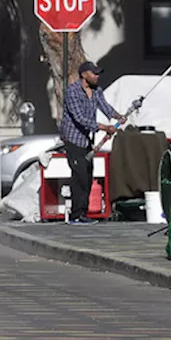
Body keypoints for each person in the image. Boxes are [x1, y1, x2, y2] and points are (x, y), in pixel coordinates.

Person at [60, 61, 125, 225]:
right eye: (94, 73)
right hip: (73, 139)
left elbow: (105, 107)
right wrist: (104, 127)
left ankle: (83, 212)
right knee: (80, 175)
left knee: (88, 176)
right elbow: (80, 118)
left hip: (87, 139)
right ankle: (76, 215)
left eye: (98, 73)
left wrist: (118, 116)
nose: (97, 76)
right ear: (84, 75)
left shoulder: (96, 91)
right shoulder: (73, 92)